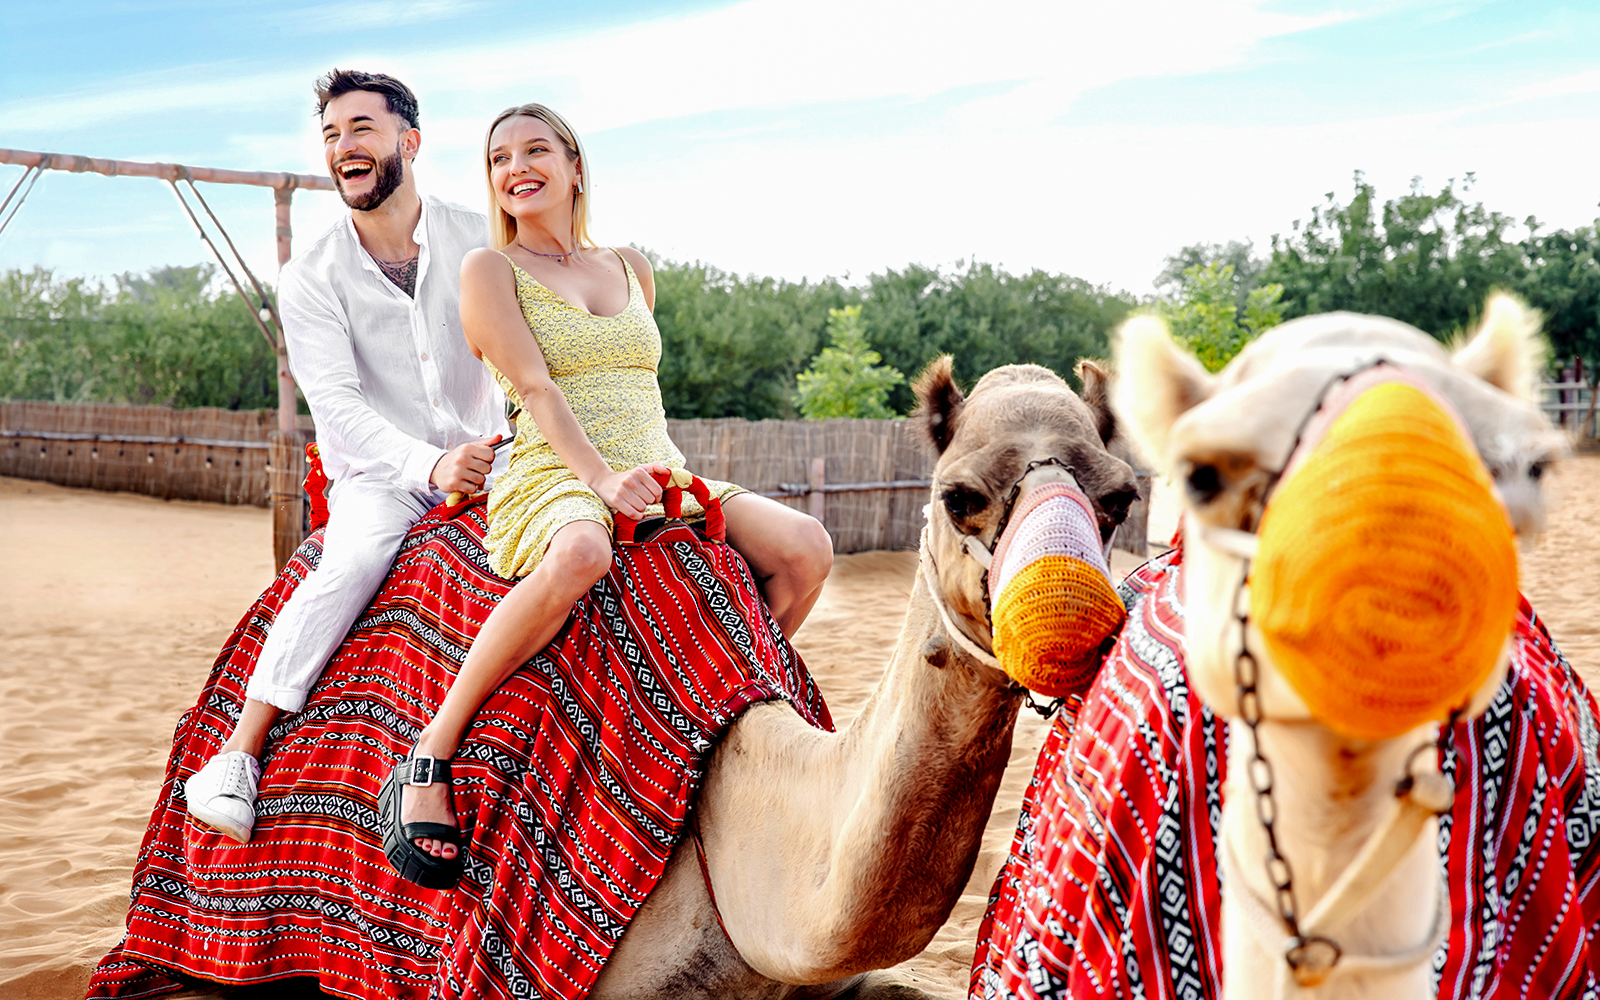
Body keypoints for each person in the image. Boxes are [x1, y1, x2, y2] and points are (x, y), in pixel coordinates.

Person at [379, 103, 834, 888]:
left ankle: (717, 716)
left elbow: (637, 387)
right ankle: (432, 749)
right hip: (556, 470)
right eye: (498, 158)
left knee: (806, 549)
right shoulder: (489, 269)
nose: (515, 167)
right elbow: (536, 385)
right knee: (585, 549)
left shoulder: (631, 264)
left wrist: (646, 476)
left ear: (575, 165)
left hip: (657, 464)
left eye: (535, 150)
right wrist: (598, 480)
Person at [183, 69, 508, 843]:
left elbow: (531, 354)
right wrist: (430, 466)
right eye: (331, 135)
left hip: (498, 451)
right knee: (355, 558)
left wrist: (495, 446)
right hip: (383, 476)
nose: (343, 147)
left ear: (409, 141)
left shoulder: (483, 239)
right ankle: (240, 750)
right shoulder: (311, 276)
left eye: (360, 128)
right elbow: (338, 411)